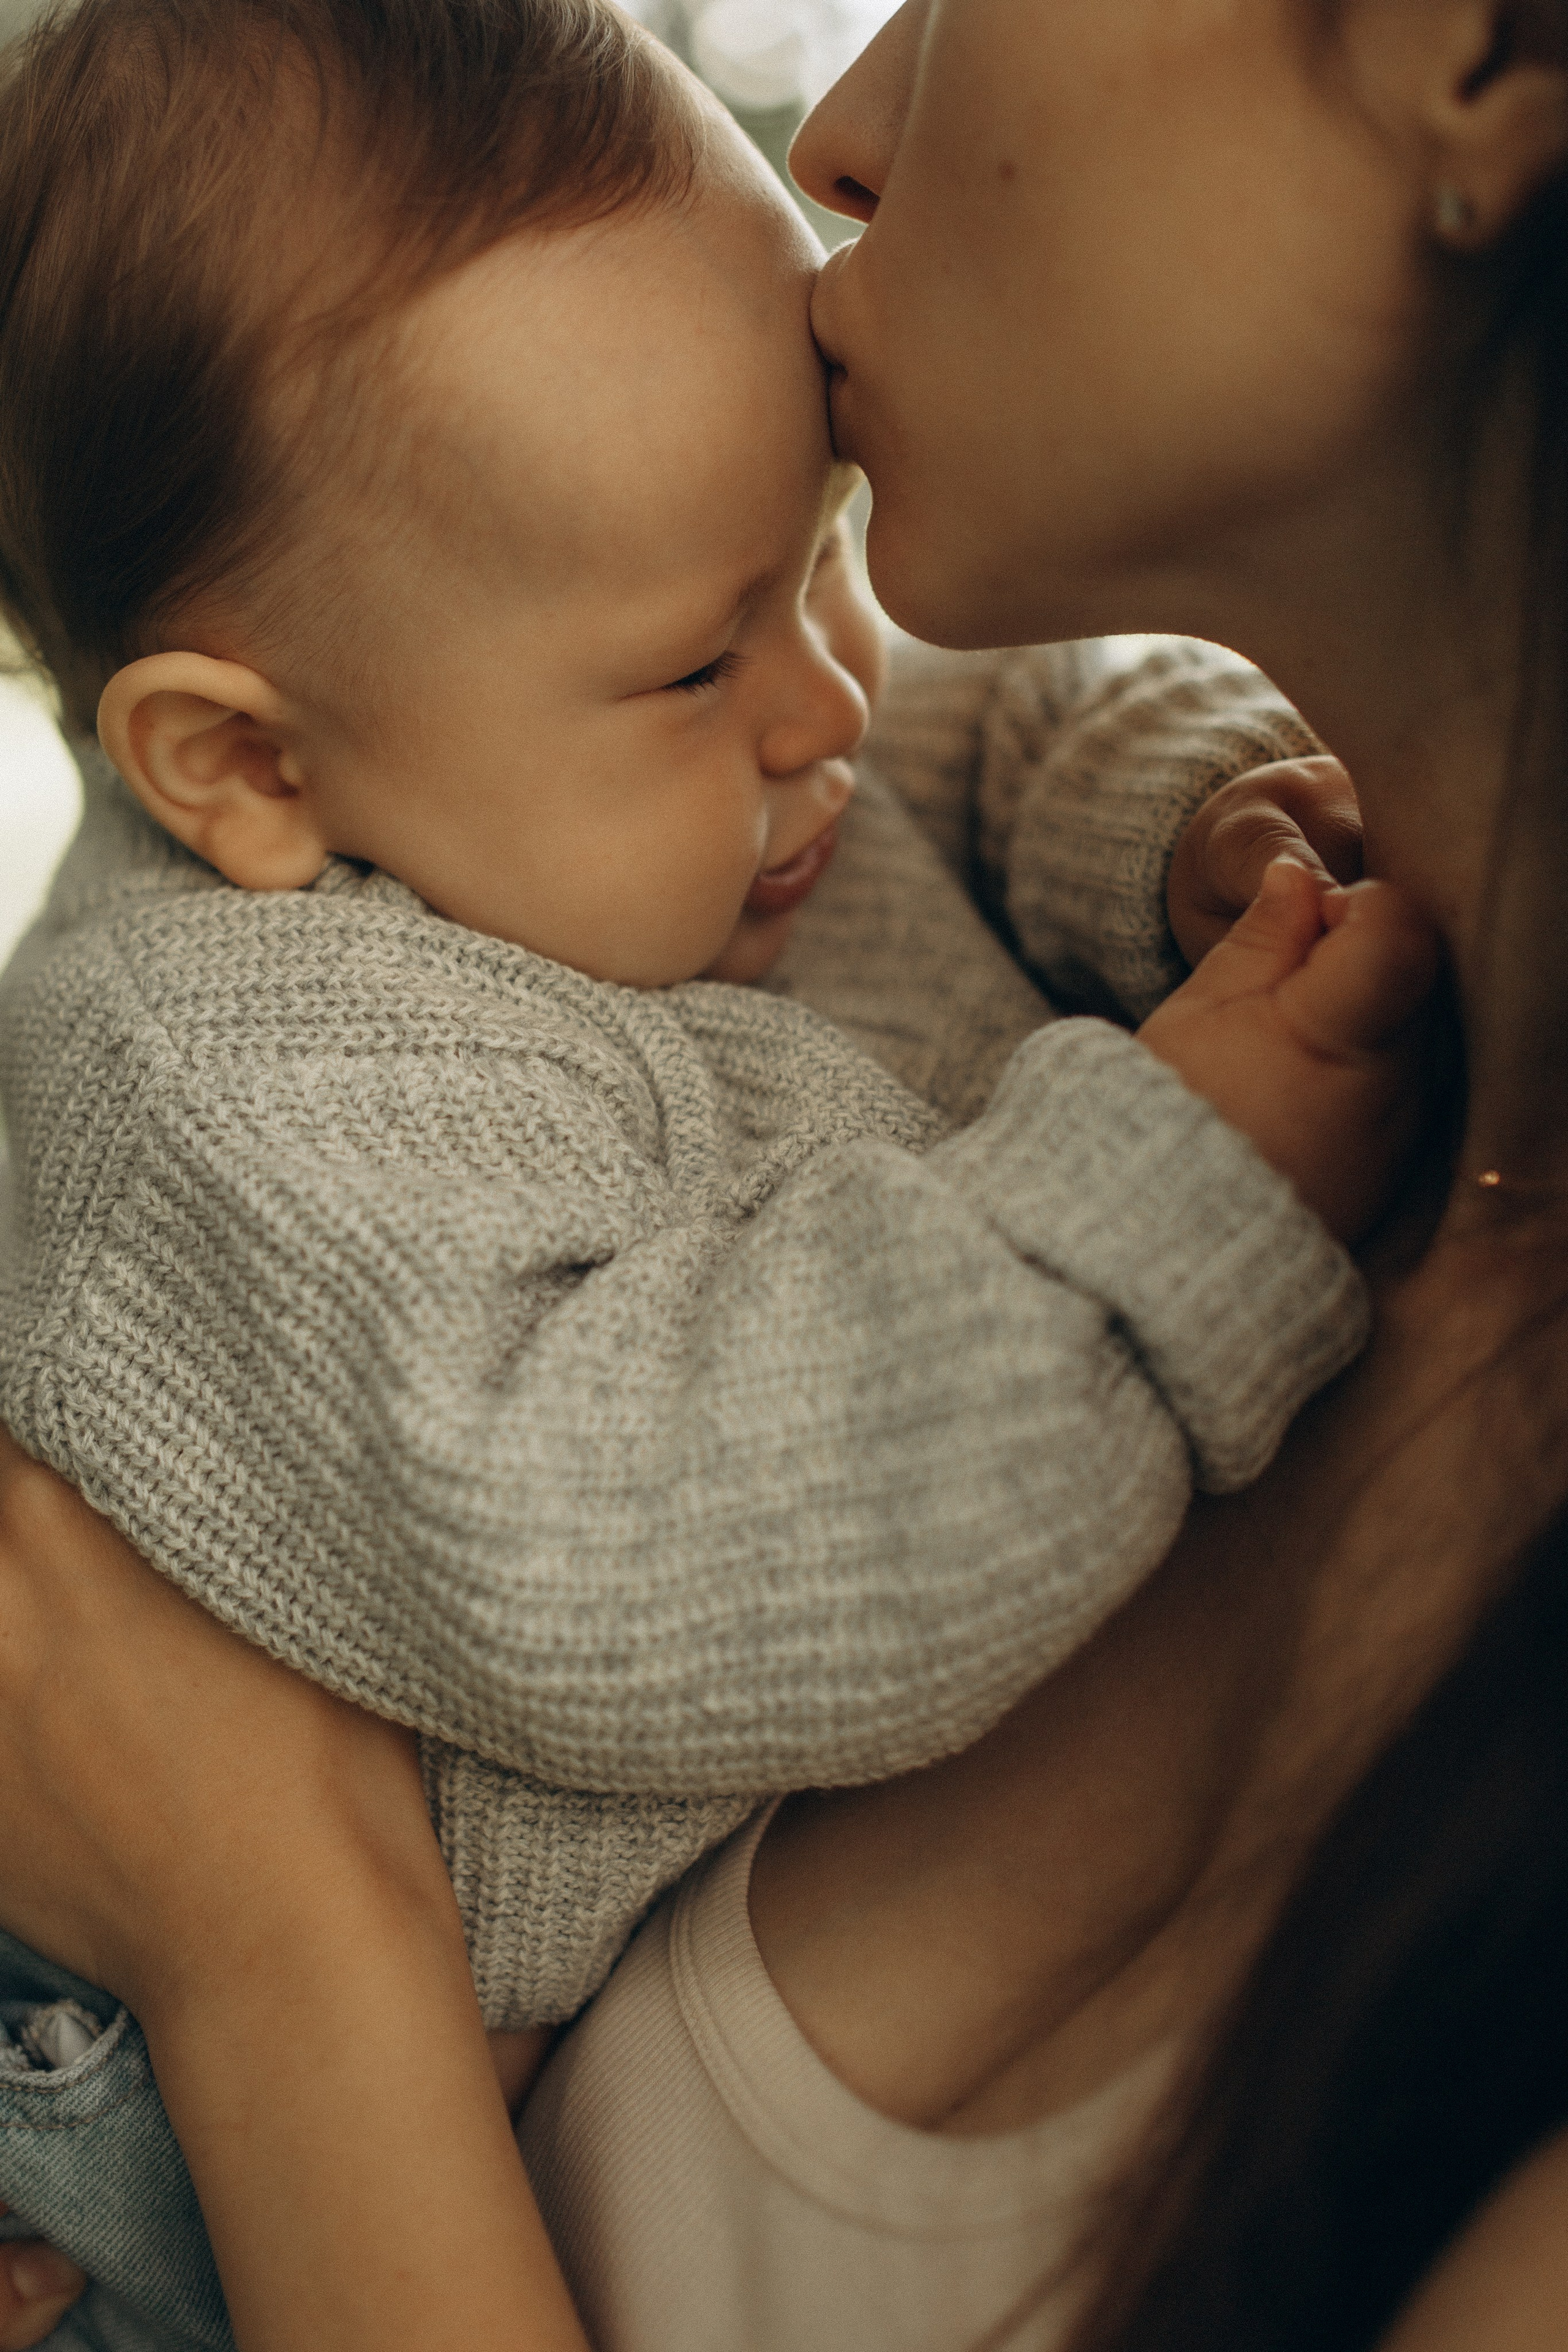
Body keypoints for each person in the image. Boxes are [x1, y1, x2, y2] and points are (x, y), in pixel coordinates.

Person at [1, 0, 1565, 2345]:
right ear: (245, 769)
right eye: (696, 658)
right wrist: (1180, 1189)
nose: (825, 694)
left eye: (813, 559)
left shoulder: (625, 736)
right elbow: (651, 1535)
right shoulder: (246, 1065)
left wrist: (1178, 836)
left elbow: (980, 736)